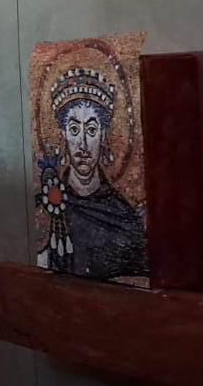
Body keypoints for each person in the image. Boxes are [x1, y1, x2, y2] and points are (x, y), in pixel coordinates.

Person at [35, 65, 148, 280]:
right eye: (74, 130)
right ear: (63, 134)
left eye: (91, 130)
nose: (83, 145)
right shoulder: (47, 207)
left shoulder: (123, 217)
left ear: (103, 136)